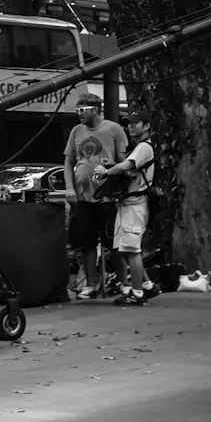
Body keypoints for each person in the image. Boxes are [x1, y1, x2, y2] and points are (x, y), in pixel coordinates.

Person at [63, 93, 127, 298]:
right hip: (83, 197)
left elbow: (124, 161)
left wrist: (112, 168)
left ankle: (124, 281)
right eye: (77, 110)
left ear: (95, 109)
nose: (79, 115)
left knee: (114, 242)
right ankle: (90, 284)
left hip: (106, 196)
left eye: (83, 110)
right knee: (87, 242)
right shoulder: (76, 131)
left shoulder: (114, 129)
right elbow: (68, 161)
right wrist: (70, 188)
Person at [99, 109, 156, 306]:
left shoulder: (144, 147)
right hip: (127, 204)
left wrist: (106, 171)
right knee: (123, 250)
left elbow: (125, 168)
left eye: (135, 123)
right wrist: (114, 165)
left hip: (135, 204)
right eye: (129, 123)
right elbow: (127, 168)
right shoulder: (138, 147)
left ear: (146, 126)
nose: (130, 127)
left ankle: (138, 294)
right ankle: (147, 285)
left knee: (131, 249)